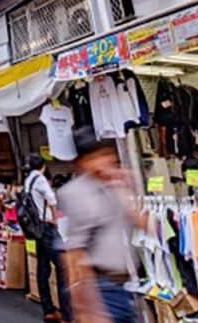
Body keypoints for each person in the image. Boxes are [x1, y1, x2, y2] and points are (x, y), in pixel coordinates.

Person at [58, 127, 144, 323]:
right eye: (97, 156)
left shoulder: (117, 184)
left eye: (106, 154)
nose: (104, 160)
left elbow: (144, 224)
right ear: (82, 162)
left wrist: (123, 188)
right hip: (102, 288)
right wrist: (84, 306)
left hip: (129, 283)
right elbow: (73, 252)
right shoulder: (74, 193)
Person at [25, 153, 72, 322]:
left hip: (36, 228)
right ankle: (67, 314)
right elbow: (52, 200)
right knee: (62, 267)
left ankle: (48, 310)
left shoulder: (27, 180)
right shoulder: (40, 179)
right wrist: (54, 219)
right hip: (46, 227)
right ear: (43, 166)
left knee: (43, 268)